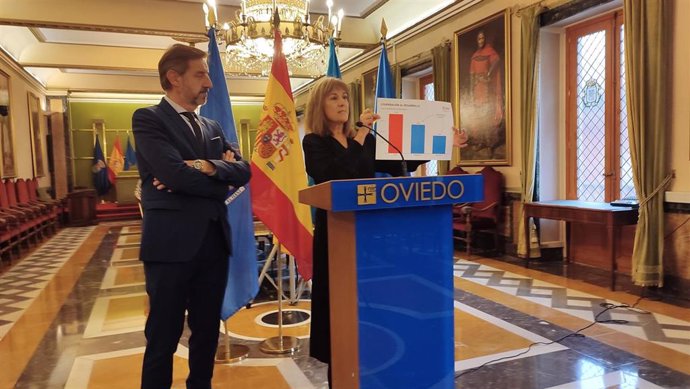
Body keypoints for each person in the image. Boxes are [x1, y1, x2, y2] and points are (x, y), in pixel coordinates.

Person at [301, 76, 466, 387]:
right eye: (334, 98)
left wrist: (445, 142)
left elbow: (401, 163)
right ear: (319, 106)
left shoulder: (362, 140)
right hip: (335, 236)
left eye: (345, 98)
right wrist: (362, 133)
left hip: (369, 233)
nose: (342, 104)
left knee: (368, 309)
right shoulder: (315, 142)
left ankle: (372, 369)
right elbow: (334, 175)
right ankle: (341, 374)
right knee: (339, 310)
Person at [132, 44, 251, 389]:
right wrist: (219, 177)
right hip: (169, 246)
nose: (209, 83)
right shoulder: (148, 119)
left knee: (206, 332)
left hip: (213, 242)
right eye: (200, 74)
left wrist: (204, 166)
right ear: (173, 77)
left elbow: (243, 171)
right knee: (163, 336)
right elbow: (173, 175)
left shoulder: (212, 126)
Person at [466, 30, 503, 156]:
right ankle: (480, 140)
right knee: (478, 114)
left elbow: (496, 61)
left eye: (482, 38)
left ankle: (490, 142)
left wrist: (488, 74)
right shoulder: (475, 56)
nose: (481, 41)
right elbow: (472, 75)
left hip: (487, 88)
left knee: (488, 114)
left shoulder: (490, 51)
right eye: (479, 39)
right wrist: (471, 91)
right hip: (478, 88)